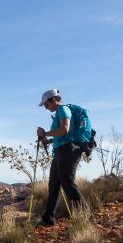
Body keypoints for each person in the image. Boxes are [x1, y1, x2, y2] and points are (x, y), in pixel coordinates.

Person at [36, 88, 87, 226]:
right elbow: (62, 135)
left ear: (53, 100)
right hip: (61, 150)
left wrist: (45, 133)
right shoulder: (58, 112)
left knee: (67, 182)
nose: (46, 108)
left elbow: (64, 129)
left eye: (46, 105)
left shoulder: (63, 110)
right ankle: (48, 218)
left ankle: (85, 215)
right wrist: (47, 139)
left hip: (68, 151)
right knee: (53, 185)